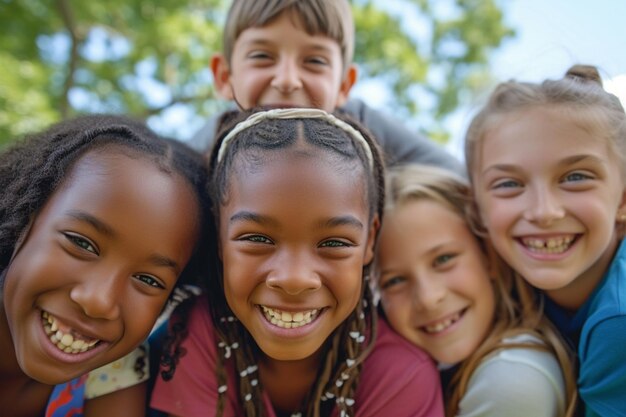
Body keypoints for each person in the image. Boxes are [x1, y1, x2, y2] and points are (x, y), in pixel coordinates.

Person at [150, 108, 444, 417]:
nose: (294, 279)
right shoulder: (197, 333)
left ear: (370, 240)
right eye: (257, 239)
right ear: (218, 234)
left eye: (334, 243)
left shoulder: (401, 374)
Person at [0, 114, 209, 416]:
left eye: (149, 280)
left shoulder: (113, 366)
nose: (99, 302)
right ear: (24, 221)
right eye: (81, 244)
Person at [465, 64, 626, 416]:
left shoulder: (619, 322)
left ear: (623, 198)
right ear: (476, 211)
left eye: (576, 177)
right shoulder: (490, 283)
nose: (543, 211)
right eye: (509, 184)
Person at [375, 164, 577, 417]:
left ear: (488, 256)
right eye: (394, 281)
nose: (428, 298)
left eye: (443, 259)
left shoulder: (510, 383)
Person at [189, 0, 465, 176]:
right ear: (225, 76)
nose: (286, 80)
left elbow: (460, 181)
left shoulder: (361, 123)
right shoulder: (202, 152)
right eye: (262, 56)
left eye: (314, 61)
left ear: (344, 86)